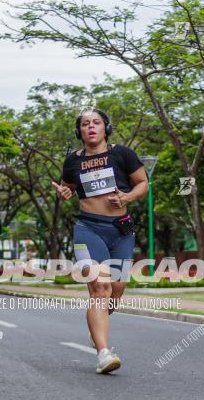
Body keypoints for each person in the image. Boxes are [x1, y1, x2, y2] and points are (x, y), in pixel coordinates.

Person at [52, 108, 148, 374]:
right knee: (99, 288)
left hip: (120, 231)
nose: (91, 127)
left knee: (115, 292)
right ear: (80, 131)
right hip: (88, 229)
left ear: (106, 127)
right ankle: (103, 353)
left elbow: (143, 183)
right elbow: (67, 186)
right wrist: (64, 192)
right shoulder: (72, 160)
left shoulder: (122, 154)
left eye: (96, 122)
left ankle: (98, 327)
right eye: (85, 124)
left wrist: (126, 198)